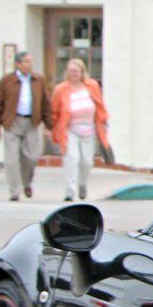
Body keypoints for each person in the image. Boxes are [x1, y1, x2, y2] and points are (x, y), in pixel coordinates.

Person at [0, 51, 51, 200]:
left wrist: (49, 125)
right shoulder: (6, 81)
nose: (30, 65)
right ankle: (14, 191)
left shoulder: (38, 80)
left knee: (30, 157)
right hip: (12, 122)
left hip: (31, 122)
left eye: (31, 62)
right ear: (18, 64)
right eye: (27, 62)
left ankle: (26, 183)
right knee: (11, 159)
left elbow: (45, 103)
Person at [50, 57, 108, 201]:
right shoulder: (61, 89)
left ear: (82, 72)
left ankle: (82, 183)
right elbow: (54, 111)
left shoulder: (92, 86)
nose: (73, 74)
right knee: (72, 159)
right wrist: (51, 128)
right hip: (70, 130)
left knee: (87, 162)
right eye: (70, 71)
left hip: (89, 129)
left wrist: (103, 121)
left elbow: (99, 106)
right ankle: (70, 190)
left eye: (76, 71)